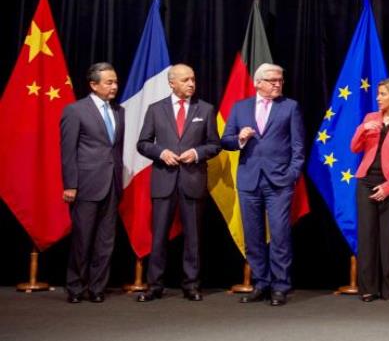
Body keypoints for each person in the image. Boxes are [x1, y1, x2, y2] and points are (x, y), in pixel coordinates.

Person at [221, 63, 304, 306]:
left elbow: (298, 147)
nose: (278, 83)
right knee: (253, 235)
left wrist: (292, 175)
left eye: (280, 80)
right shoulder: (240, 108)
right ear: (258, 83)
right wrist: (240, 139)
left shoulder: (290, 107)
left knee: (279, 235)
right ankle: (261, 283)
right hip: (249, 180)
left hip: (279, 181)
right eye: (272, 80)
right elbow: (225, 141)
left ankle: (280, 286)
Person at [136, 64, 221, 302]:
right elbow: (143, 143)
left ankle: (191, 284)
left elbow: (214, 145)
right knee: (159, 236)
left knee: (193, 237)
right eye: (185, 80)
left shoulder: (205, 109)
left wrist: (196, 152)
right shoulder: (156, 110)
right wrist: (160, 152)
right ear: (171, 83)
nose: (191, 84)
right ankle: (154, 285)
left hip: (192, 180)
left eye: (193, 79)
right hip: (164, 180)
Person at [60, 62, 124, 303]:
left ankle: (97, 288)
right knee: (82, 239)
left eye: (115, 82)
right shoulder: (75, 111)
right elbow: (68, 151)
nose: (114, 86)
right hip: (86, 184)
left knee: (105, 241)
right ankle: (75, 287)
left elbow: (114, 149)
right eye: (109, 82)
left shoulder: (120, 111)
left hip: (112, 184)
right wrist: (70, 184)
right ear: (93, 85)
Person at [350, 77, 389, 302]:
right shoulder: (370, 118)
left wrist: (387, 187)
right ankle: (368, 288)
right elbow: (354, 147)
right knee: (366, 236)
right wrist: (362, 128)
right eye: (377, 94)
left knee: (387, 239)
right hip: (366, 181)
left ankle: (388, 288)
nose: (378, 98)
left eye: (383, 94)